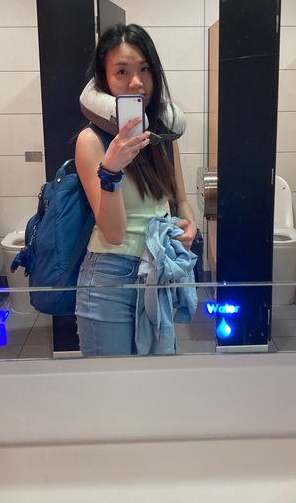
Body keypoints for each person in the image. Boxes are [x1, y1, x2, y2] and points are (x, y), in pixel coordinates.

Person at [75, 23, 197, 356]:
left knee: (155, 381)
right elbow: (114, 233)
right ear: (104, 80)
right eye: (122, 72)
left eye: (144, 69)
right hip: (109, 278)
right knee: (110, 384)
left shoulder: (164, 135)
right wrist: (111, 169)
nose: (136, 82)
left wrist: (189, 225)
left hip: (157, 270)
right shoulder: (91, 141)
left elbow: (181, 201)